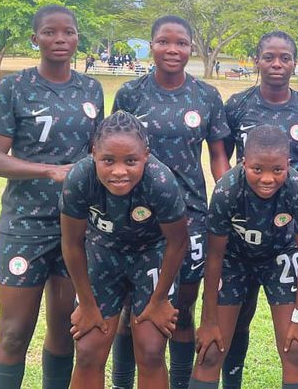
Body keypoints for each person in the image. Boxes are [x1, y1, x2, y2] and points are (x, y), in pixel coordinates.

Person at [0, 5, 104, 389]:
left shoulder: (91, 89)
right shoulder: (14, 88)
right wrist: (49, 170)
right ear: (35, 39)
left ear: (77, 37)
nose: (60, 39)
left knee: (64, 329)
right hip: (25, 225)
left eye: (68, 32)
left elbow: (99, 152)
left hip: (76, 225)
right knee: (14, 332)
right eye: (50, 32)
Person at [111, 15, 231, 389]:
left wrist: (227, 193)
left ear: (191, 48)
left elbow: (218, 156)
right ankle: (122, 383)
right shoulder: (130, 94)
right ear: (152, 45)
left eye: (181, 43)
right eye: (164, 41)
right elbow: (113, 151)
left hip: (190, 215)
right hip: (136, 215)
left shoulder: (206, 96)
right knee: (132, 309)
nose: (172, 49)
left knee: (182, 310)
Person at [220, 31, 298, 388]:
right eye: (269, 57)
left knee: (292, 344)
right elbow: (225, 160)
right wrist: (239, 197)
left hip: (284, 238)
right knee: (235, 324)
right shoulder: (237, 104)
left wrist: (287, 194)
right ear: (257, 61)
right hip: (238, 234)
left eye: (285, 58)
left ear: (294, 63)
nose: (277, 64)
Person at [60, 111, 188, 389]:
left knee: (151, 349)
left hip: (151, 253)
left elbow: (178, 242)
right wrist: (87, 304)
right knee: (88, 350)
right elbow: (71, 243)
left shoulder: (161, 181)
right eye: (108, 160)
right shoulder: (80, 178)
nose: (119, 171)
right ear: (94, 153)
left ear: (146, 156)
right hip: (103, 252)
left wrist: (159, 300)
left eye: (130, 161)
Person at [189, 126, 298, 389]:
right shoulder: (227, 190)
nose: (267, 178)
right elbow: (214, 256)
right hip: (234, 258)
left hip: (281, 255)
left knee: (295, 349)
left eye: (277, 170)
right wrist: (208, 320)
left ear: (288, 164)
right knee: (210, 352)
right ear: (244, 162)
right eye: (257, 169)